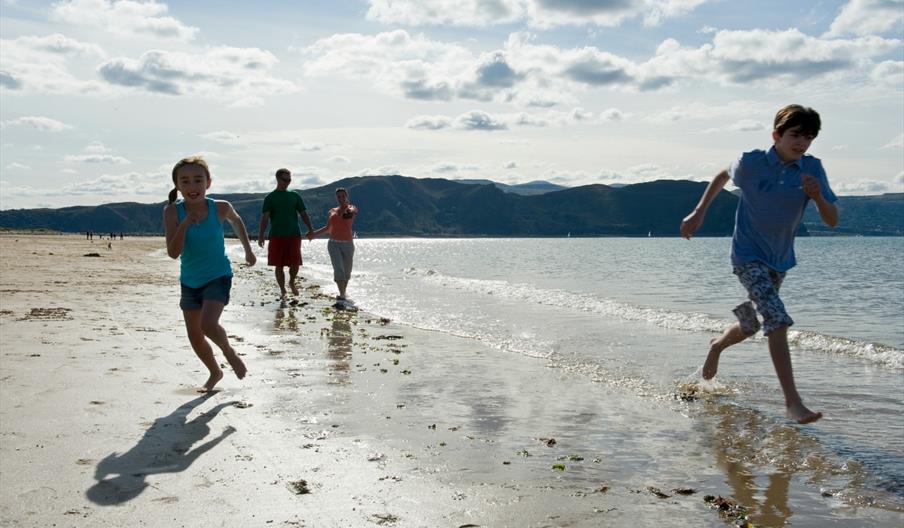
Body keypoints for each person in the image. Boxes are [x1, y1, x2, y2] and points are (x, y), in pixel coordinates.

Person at [680, 104, 838, 424]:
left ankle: (716, 346)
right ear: (776, 135)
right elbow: (724, 174)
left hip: (779, 260)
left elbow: (832, 220)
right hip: (746, 255)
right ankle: (792, 402)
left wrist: (818, 196)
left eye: (808, 137)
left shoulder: (812, 169)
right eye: (795, 135)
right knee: (777, 319)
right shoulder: (752, 162)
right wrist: (699, 212)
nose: (802, 143)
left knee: (752, 323)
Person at [164, 156, 256, 392]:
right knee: (195, 336)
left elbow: (237, 222)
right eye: (185, 181)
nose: (192, 186)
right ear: (178, 186)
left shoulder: (220, 207)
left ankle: (229, 352)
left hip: (218, 275)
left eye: (198, 180)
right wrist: (185, 224)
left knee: (207, 324)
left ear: (208, 182)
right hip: (190, 280)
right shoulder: (172, 212)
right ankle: (215, 372)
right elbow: (174, 253)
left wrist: (248, 250)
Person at [258, 168, 314, 298]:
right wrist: (261, 235)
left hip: (294, 234)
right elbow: (265, 218)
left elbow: (304, 214)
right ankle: (282, 289)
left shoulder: (295, 195)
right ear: (277, 179)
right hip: (277, 235)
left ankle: (291, 282)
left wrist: (310, 229)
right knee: (279, 264)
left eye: (289, 180)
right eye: (285, 180)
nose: (288, 182)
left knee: (295, 263)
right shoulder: (270, 197)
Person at [313, 187, 358, 300]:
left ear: (346, 197)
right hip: (334, 244)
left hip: (348, 244)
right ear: (336, 198)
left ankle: (343, 292)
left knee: (347, 273)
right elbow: (328, 228)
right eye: (339, 196)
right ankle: (342, 295)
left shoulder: (352, 208)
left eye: (343, 196)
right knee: (339, 269)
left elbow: (351, 212)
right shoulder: (332, 211)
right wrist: (314, 234)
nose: (341, 198)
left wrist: (348, 211)